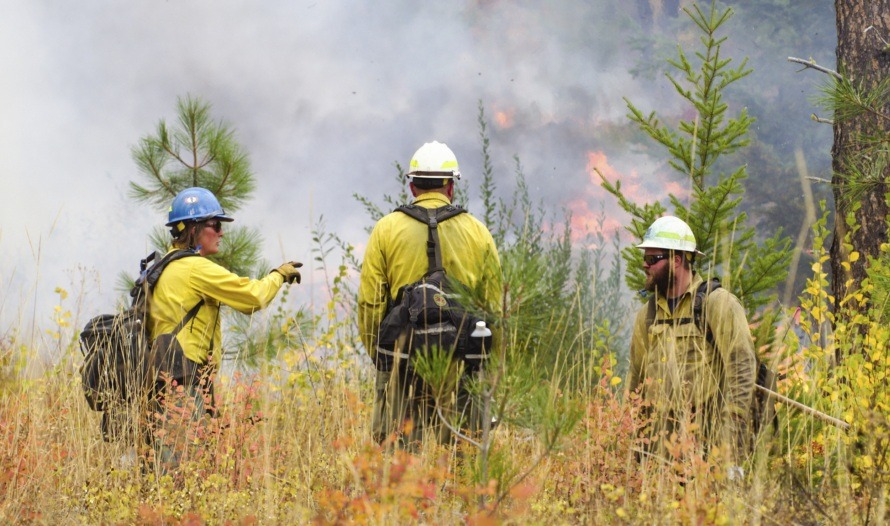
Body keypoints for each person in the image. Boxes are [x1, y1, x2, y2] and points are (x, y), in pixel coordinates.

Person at [147, 186, 303, 472]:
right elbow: (253, 297)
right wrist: (278, 275)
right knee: (182, 471)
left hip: (160, 381)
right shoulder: (195, 268)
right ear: (194, 229)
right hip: (184, 383)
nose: (221, 232)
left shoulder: (164, 266)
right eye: (215, 225)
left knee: (164, 467)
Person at [358, 141, 502, 447]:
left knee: (402, 463)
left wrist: (383, 360)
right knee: (466, 459)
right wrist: (489, 366)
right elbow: (494, 309)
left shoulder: (386, 229)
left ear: (412, 187)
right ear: (450, 187)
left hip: (404, 361)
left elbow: (370, 305)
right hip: (465, 365)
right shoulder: (478, 232)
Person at [628, 216, 755, 474]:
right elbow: (636, 382)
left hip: (708, 452)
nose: (645, 264)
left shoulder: (718, 304)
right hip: (659, 457)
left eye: (652, 259)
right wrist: (632, 447)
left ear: (676, 260)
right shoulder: (648, 315)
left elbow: (742, 371)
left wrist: (730, 452)